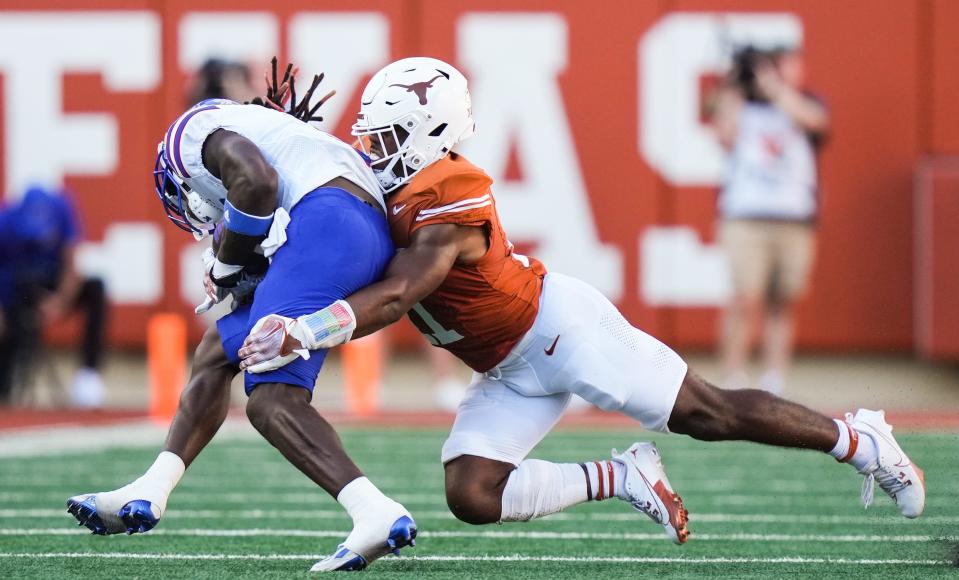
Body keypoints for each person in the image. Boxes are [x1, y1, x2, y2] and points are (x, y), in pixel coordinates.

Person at [239, 57, 924, 541]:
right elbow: (343, 206)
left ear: (431, 136)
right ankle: (620, 477)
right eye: (367, 136)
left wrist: (309, 331)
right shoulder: (388, 180)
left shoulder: (449, 188)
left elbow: (400, 292)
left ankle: (859, 440)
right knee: (472, 494)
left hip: (557, 331)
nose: (369, 149)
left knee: (706, 414)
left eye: (384, 139)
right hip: (506, 367)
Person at [66, 64, 416, 572]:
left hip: (328, 222)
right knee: (216, 351)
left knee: (271, 397)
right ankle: (151, 488)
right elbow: (266, 195)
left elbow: (255, 183)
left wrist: (226, 262)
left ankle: (375, 511)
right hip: (356, 229)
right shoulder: (274, 135)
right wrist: (241, 263)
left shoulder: (188, 136)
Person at [710, 45, 830, 394]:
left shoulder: (808, 102)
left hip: (793, 218)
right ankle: (732, 378)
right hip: (746, 217)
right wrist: (734, 85)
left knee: (783, 301)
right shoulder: (743, 106)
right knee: (743, 298)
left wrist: (775, 89)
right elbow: (724, 135)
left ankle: (774, 379)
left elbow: (814, 121)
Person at [0, 186, 107, 407]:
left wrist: (60, 301)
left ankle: (89, 375)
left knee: (96, 287)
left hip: (53, 284)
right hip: (13, 291)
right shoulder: (6, 222)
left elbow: (72, 262)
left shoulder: (62, 210)